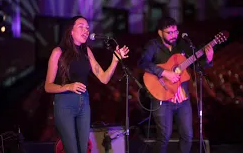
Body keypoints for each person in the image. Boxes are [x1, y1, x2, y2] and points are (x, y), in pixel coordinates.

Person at [44, 15, 129, 153]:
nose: (86, 30)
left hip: (84, 103)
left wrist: (115, 60)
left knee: (83, 149)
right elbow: (48, 86)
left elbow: (103, 78)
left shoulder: (87, 51)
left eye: (87, 28)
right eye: (81, 27)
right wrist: (68, 86)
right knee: (72, 149)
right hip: (65, 103)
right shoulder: (58, 52)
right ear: (71, 31)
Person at [137, 16, 214, 153]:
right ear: (160, 32)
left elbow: (196, 66)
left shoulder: (183, 45)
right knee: (164, 137)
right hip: (162, 96)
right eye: (169, 32)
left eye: (175, 32)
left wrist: (208, 59)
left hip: (182, 99)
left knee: (188, 136)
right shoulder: (153, 46)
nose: (173, 35)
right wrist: (164, 73)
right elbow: (143, 62)